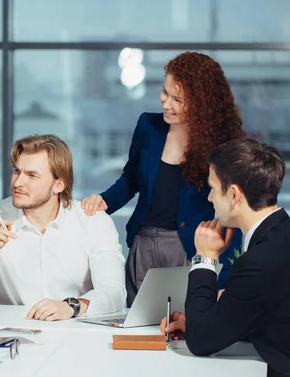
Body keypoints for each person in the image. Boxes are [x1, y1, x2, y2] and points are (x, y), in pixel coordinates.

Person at [81, 52, 244, 306]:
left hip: (190, 247)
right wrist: (104, 201)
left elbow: (233, 208)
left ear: (201, 103)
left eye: (178, 99)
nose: (166, 103)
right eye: (165, 93)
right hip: (143, 243)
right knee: (138, 323)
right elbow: (130, 179)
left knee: (184, 325)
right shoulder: (149, 126)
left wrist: (229, 273)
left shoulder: (220, 144)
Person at [160, 139, 290, 377]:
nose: (209, 198)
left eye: (212, 189)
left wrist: (205, 258)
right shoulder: (279, 235)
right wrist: (213, 317)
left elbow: (199, 341)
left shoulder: (258, 262)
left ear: (233, 194)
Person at [0, 135, 126, 321]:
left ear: (59, 184)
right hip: (14, 336)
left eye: (32, 175)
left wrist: (71, 306)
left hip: (76, 332)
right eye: (17, 171)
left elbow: (114, 291)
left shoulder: (93, 221)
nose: (17, 183)